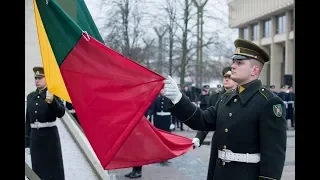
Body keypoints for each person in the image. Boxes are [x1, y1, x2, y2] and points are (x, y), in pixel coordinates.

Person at [163, 39, 287, 180]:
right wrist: (178, 98)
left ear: (254, 70)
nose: (233, 66)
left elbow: (273, 155)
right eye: (233, 62)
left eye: (239, 63)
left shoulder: (268, 102)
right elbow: (202, 120)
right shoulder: (226, 98)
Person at [192, 66, 238, 180]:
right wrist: (199, 137)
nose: (226, 79)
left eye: (229, 76)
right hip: (219, 140)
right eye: (225, 77)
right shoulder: (215, 97)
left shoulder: (242, 96)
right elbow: (207, 119)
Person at [25, 67, 66, 180]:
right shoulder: (30, 97)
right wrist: (27, 142)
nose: (37, 80)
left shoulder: (53, 94)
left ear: (46, 79)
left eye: (40, 78)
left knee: (53, 169)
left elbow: (61, 113)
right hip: (35, 138)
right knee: (37, 169)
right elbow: (28, 120)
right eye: (35, 78)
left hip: (50, 137)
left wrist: (52, 102)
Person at [124, 108, 152, 178]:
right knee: (133, 152)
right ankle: (134, 170)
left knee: (139, 152)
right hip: (134, 130)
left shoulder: (144, 105)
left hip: (140, 131)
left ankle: (138, 171)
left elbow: (145, 118)